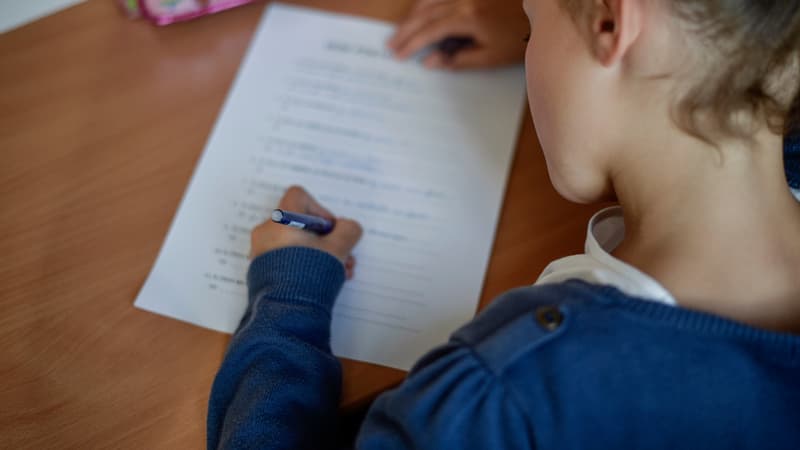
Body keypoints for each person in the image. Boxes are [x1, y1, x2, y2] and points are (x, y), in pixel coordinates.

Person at [207, 0, 800, 448]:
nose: (526, 46)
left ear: (611, 26)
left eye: (528, 28)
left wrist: (288, 297)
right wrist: (556, 25)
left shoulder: (503, 395)